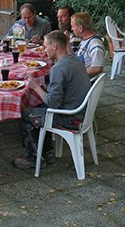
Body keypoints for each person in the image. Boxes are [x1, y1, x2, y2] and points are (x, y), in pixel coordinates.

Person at [14, 30, 91, 169]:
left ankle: (33, 158)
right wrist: (47, 87)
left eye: (45, 46)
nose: (44, 50)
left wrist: (35, 87)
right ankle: (47, 152)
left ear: (54, 46)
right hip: (82, 111)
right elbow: (64, 89)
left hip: (70, 117)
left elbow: (52, 103)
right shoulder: (75, 61)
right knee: (39, 107)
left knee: (24, 113)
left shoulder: (58, 68)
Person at [70, 12, 105, 78]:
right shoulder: (84, 41)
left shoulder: (95, 43)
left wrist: (76, 76)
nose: (72, 29)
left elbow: (98, 68)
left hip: (88, 83)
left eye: (73, 26)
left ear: (80, 28)